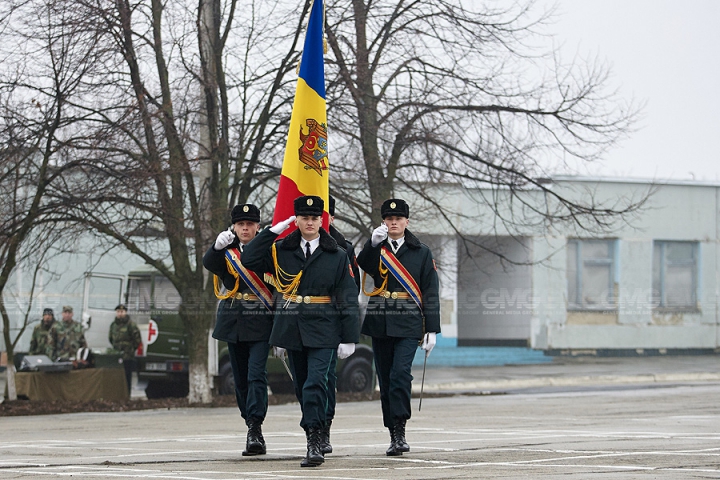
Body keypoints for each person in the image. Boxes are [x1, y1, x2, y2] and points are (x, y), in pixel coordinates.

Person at [241, 195, 360, 467]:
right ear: (296, 220)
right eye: (304, 217)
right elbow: (248, 259)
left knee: (316, 383)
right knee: (302, 387)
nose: (309, 222)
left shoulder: (336, 254)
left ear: (321, 220)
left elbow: (347, 296)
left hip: (324, 328)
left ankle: (315, 440)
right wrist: (272, 231)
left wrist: (349, 337)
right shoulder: (281, 248)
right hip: (292, 327)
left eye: (314, 217)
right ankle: (311, 433)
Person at [356, 198, 441, 456]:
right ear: (384, 222)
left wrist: (432, 329)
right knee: (385, 377)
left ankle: (401, 428)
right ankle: (392, 432)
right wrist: (371, 244)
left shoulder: (421, 251)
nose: (393, 222)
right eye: (389, 219)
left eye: (398, 219)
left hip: (408, 321)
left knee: (400, 375)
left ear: (406, 221)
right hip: (381, 319)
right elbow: (363, 264)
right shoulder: (377, 248)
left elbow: (430, 290)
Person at [202, 203, 275, 457]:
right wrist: (216, 247)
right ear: (234, 227)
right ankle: (250, 423)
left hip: (260, 320)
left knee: (256, 375)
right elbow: (209, 264)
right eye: (240, 224)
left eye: (250, 224)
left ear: (257, 227)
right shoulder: (228, 252)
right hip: (234, 321)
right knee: (240, 379)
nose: (245, 228)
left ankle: (255, 426)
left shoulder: (268, 251)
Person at [321, 195, 361, 454]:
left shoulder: (344, 248)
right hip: (300, 322)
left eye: (323, 215)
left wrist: (348, 333)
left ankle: (324, 428)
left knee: (326, 378)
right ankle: (313, 427)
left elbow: (352, 289)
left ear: (332, 217)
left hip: (331, 323)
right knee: (307, 382)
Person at [108, 304, 142, 395]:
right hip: (116, 355)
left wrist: (130, 349)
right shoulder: (113, 325)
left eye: (122, 312)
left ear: (125, 312)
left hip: (127, 356)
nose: (120, 314)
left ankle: (127, 394)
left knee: (127, 376)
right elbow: (111, 338)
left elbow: (137, 340)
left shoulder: (131, 325)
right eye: (118, 312)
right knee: (116, 376)